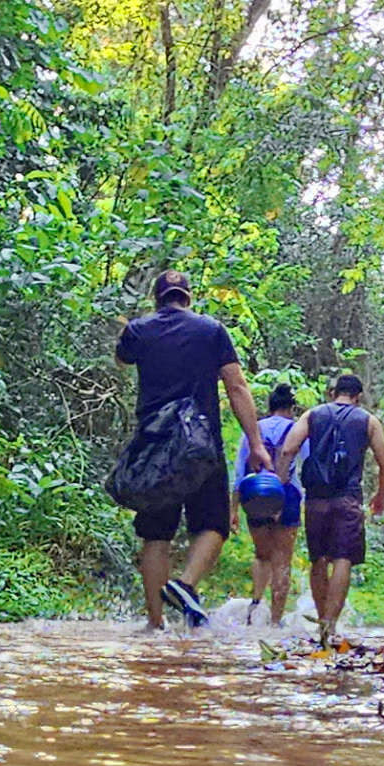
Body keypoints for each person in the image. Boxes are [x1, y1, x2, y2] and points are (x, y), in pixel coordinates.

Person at [117, 270, 271, 630]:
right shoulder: (211, 330)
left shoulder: (139, 329)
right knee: (214, 525)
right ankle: (185, 584)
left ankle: (156, 624)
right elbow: (236, 386)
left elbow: (122, 358)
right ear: (188, 297)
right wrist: (256, 444)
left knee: (155, 535)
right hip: (200, 445)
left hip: (154, 446)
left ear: (157, 298)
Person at [275, 373, 384, 645]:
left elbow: (288, 449)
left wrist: (281, 485)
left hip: (316, 498)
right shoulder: (368, 421)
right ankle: (330, 624)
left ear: (333, 393)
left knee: (318, 558)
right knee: (343, 558)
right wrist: (380, 494)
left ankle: (322, 623)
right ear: (358, 397)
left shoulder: (312, 415)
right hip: (347, 498)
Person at [231, 382, 306, 625]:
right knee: (282, 560)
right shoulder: (297, 430)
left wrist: (233, 508)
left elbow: (239, 470)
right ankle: (274, 621)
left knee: (262, 554)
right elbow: (308, 464)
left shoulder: (254, 430)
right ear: (291, 408)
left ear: (270, 406)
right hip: (287, 494)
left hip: (254, 493)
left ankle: (255, 606)